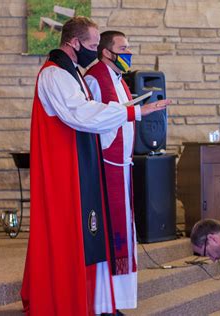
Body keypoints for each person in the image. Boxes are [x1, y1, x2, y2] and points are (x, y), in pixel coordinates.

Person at [21, 17, 170, 315]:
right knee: (66, 237)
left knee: (81, 237)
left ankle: (82, 301)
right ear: (73, 43)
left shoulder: (70, 72)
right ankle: (62, 301)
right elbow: (81, 114)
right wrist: (134, 113)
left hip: (76, 166)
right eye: (91, 45)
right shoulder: (54, 75)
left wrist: (131, 112)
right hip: (63, 170)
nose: (95, 51)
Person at [84, 30, 160, 311]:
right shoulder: (95, 78)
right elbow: (93, 119)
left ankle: (115, 301)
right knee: (107, 232)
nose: (128, 53)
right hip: (106, 167)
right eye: (123, 48)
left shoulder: (120, 81)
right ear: (106, 51)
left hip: (121, 165)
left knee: (122, 232)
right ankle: (102, 303)